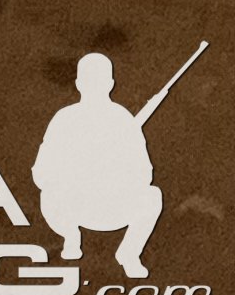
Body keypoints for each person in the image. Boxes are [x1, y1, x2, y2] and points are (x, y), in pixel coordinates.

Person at [35, 51, 168, 280]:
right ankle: (70, 236)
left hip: (112, 207)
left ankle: (129, 253)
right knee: (49, 193)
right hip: (72, 207)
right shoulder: (65, 119)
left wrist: (111, 171)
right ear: (110, 84)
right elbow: (41, 173)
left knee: (152, 196)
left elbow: (144, 175)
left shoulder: (123, 120)